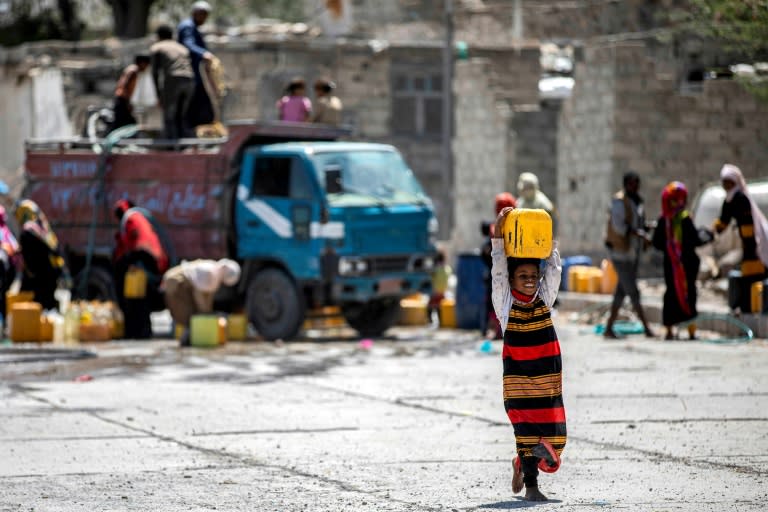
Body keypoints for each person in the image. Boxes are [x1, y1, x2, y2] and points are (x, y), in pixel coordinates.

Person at [490, 206, 566, 502]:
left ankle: (521, 464)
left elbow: (554, 271)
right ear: (512, 280)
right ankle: (532, 485)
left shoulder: (544, 300)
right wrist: (498, 237)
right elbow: (497, 270)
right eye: (522, 275)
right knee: (526, 433)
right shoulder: (505, 306)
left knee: (555, 438)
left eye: (534, 275)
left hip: (546, 386)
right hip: (520, 386)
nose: (530, 280)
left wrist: (548, 239)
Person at [652, 182, 713, 340]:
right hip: (688, 264)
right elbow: (694, 240)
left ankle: (669, 330)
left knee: (671, 293)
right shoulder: (685, 218)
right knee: (689, 293)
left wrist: (670, 249)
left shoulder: (663, 220)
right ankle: (691, 330)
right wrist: (707, 236)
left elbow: (657, 242)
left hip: (671, 265)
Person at [602, 172, 655, 339]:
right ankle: (647, 328)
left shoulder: (636, 201)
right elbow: (620, 226)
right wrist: (638, 233)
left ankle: (609, 327)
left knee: (621, 292)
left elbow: (636, 223)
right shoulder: (619, 201)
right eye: (633, 184)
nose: (636, 187)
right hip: (620, 253)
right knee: (633, 291)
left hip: (631, 254)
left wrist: (646, 227)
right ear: (626, 185)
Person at [113, 199, 170, 339]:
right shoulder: (138, 217)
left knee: (138, 300)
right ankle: (142, 331)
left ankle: (138, 331)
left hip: (144, 262)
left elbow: (135, 245)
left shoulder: (130, 219)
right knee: (142, 299)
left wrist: (124, 261)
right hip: (153, 261)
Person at [161, 258, 241, 347]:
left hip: (183, 285)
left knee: (196, 316)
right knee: (190, 316)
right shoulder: (209, 272)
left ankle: (187, 343)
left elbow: (207, 297)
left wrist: (207, 312)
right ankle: (185, 345)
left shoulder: (214, 275)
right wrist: (204, 313)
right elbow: (198, 293)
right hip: (175, 282)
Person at [713, 164, 768, 285]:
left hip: (751, 237)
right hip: (745, 237)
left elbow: (747, 222)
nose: (725, 185)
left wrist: (747, 237)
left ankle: (753, 284)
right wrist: (715, 230)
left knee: (753, 258)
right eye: (724, 182)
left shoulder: (740, 198)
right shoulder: (730, 198)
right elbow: (724, 219)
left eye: (728, 182)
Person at [15, 200, 69, 311]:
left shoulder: (28, 231)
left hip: (39, 276)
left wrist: (30, 273)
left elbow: (29, 257)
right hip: (51, 272)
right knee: (47, 304)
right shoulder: (42, 228)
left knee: (32, 308)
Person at [481, 192, 517, 338]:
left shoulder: (495, 226)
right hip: (512, 271)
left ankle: (495, 329)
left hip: (496, 271)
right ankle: (501, 329)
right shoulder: (517, 224)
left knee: (494, 299)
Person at [150, 24, 195, 139]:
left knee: (169, 115)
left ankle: (171, 145)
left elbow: (155, 72)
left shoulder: (158, 47)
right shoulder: (182, 48)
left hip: (174, 79)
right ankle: (184, 144)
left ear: (158, 36)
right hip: (190, 79)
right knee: (181, 115)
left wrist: (159, 95)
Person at [178, 1, 215, 128]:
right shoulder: (187, 26)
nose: (204, 18)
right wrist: (203, 53)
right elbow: (189, 43)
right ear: (194, 13)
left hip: (196, 74)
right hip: (188, 73)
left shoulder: (194, 27)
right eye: (202, 14)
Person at [110, 55, 151, 132]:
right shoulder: (133, 71)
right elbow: (124, 86)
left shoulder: (132, 69)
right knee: (127, 123)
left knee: (122, 123)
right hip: (122, 100)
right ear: (142, 63)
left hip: (122, 99)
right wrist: (128, 103)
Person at [0, 205, 21, 317]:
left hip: (7, 269)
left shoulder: (5, 230)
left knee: (3, 295)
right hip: (5, 268)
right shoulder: (4, 230)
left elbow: (14, 247)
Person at [427, 250, 452, 326]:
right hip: (443, 291)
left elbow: (430, 276)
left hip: (434, 291)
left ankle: (430, 320)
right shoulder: (447, 268)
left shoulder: (435, 269)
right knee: (439, 307)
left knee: (430, 306)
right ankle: (441, 321)